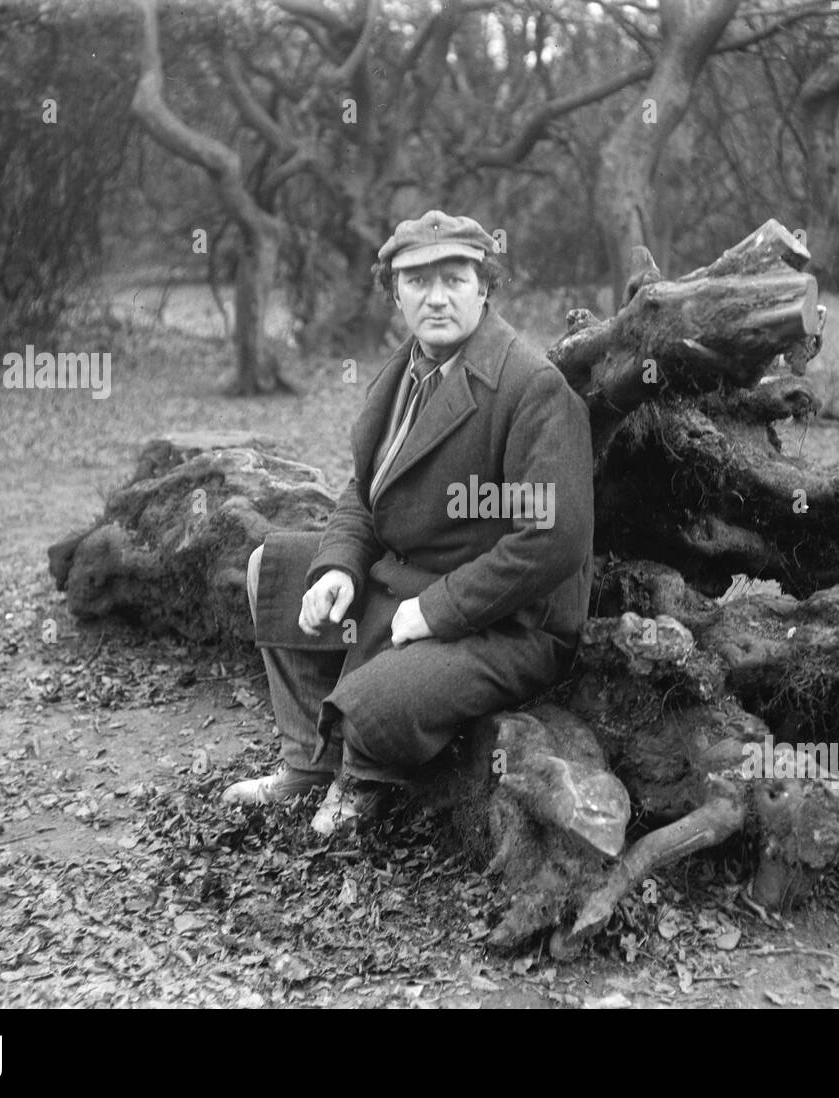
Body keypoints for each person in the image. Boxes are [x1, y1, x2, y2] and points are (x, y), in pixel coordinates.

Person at [221, 210, 595, 835]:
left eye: (454, 278)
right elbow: (364, 491)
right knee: (274, 571)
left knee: (375, 706)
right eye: (417, 282)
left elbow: (553, 540)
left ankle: (360, 778)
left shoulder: (532, 389)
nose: (437, 297)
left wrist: (437, 609)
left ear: (485, 286)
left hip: (507, 623)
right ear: (395, 292)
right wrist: (338, 564)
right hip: (405, 580)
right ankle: (308, 766)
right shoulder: (403, 371)